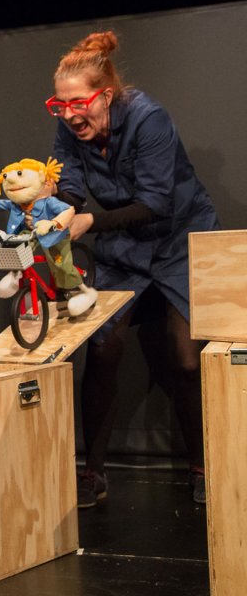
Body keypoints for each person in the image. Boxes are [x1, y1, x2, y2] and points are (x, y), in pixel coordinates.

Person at [47, 31, 219, 507]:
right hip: (125, 246)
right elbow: (70, 180)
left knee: (187, 360)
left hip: (180, 240)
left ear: (106, 94)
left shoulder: (148, 118)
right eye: (59, 105)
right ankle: (93, 473)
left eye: (78, 103)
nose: (68, 114)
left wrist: (88, 222)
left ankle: (203, 464)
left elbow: (156, 202)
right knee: (102, 350)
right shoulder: (69, 123)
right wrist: (62, 207)